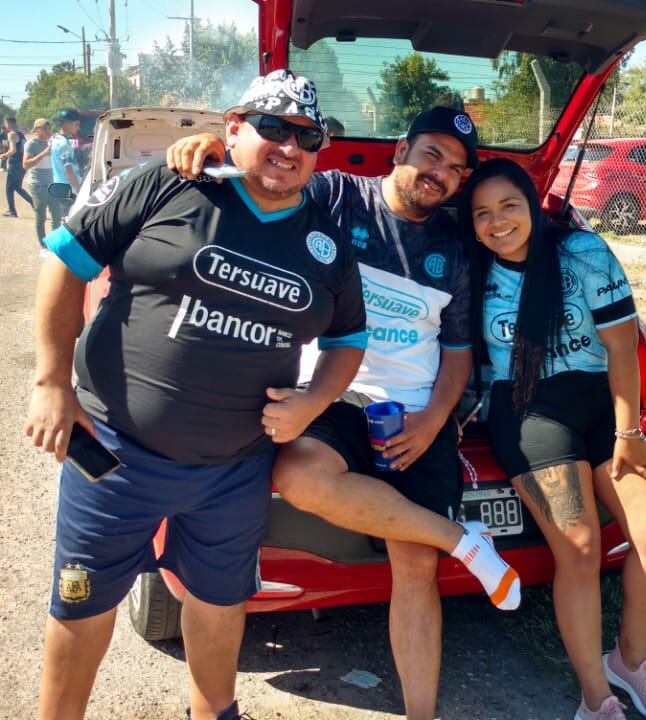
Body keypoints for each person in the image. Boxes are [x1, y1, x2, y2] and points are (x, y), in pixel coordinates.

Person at [25, 69, 369, 720]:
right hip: (114, 454)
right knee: (82, 603)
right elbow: (65, 259)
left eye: (307, 136)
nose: (290, 147)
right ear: (232, 128)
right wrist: (49, 382)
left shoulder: (326, 241)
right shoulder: (168, 183)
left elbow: (349, 338)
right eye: (273, 128)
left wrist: (313, 403)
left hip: (234, 473)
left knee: (219, 607)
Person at [166, 105, 519, 720]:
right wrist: (206, 148)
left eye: (456, 169)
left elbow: (459, 357)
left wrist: (433, 422)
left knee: (416, 566)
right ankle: (466, 542)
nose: (441, 173)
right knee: (299, 477)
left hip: (414, 416)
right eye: (431, 154)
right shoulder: (334, 195)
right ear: (400, 151)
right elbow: (266, 175)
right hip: (333, 396)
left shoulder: (457, 248)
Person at [463, 158, 646, 720]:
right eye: (482, 213)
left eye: (509, 205)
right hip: (525, 412)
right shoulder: (470, 270)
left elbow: (620, 348)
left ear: (532, 204)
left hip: (599, 408)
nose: (498, 222)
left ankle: (629, 662)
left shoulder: (585, 254)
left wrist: (629, 431)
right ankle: (596, 697)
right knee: (580, 548)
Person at [48, 108, 82, 228]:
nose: (78, 128)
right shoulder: (64, 144)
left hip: (60, 188)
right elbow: (69, 170)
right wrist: (79, 190)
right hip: (69, 190)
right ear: (67, 123)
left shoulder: (57, 140)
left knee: (63, 222)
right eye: (76, 124)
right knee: (68, 224)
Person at [24, 118, 55, 244]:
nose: (48, 130)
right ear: (37, 130)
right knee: (41, 217)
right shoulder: (31, 144)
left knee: (57, 216)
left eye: (49, 128)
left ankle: (55, 245)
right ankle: (43, 245)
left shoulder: (52, 142)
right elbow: (26, 164)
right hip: (38, 184)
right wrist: (44, 153)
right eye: (45, 128)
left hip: (53, 184)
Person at [0, 116, 33, 217]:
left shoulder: (11, 134)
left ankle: (12, 210)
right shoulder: (21, 135)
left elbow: (13, 150)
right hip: (22, 164)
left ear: (8, 123)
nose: (5, 125)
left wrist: (4, 155)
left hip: (15, 164)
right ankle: (34, 204)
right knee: (17, 187)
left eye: (5, 123)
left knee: (9, 188)